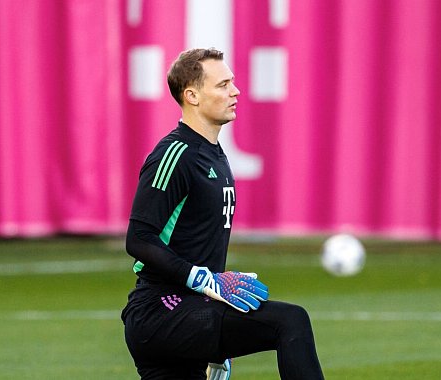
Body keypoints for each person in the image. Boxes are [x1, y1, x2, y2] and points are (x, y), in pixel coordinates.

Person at [121, 47, 325, 380]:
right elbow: (139, 239)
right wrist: (202, 279)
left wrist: (216, 336)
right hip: (160, 310)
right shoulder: (176, 154)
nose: (236, 91)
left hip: (187, 312)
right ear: (192, 95)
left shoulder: (213, 155)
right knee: (290, 321)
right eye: (223, 84)